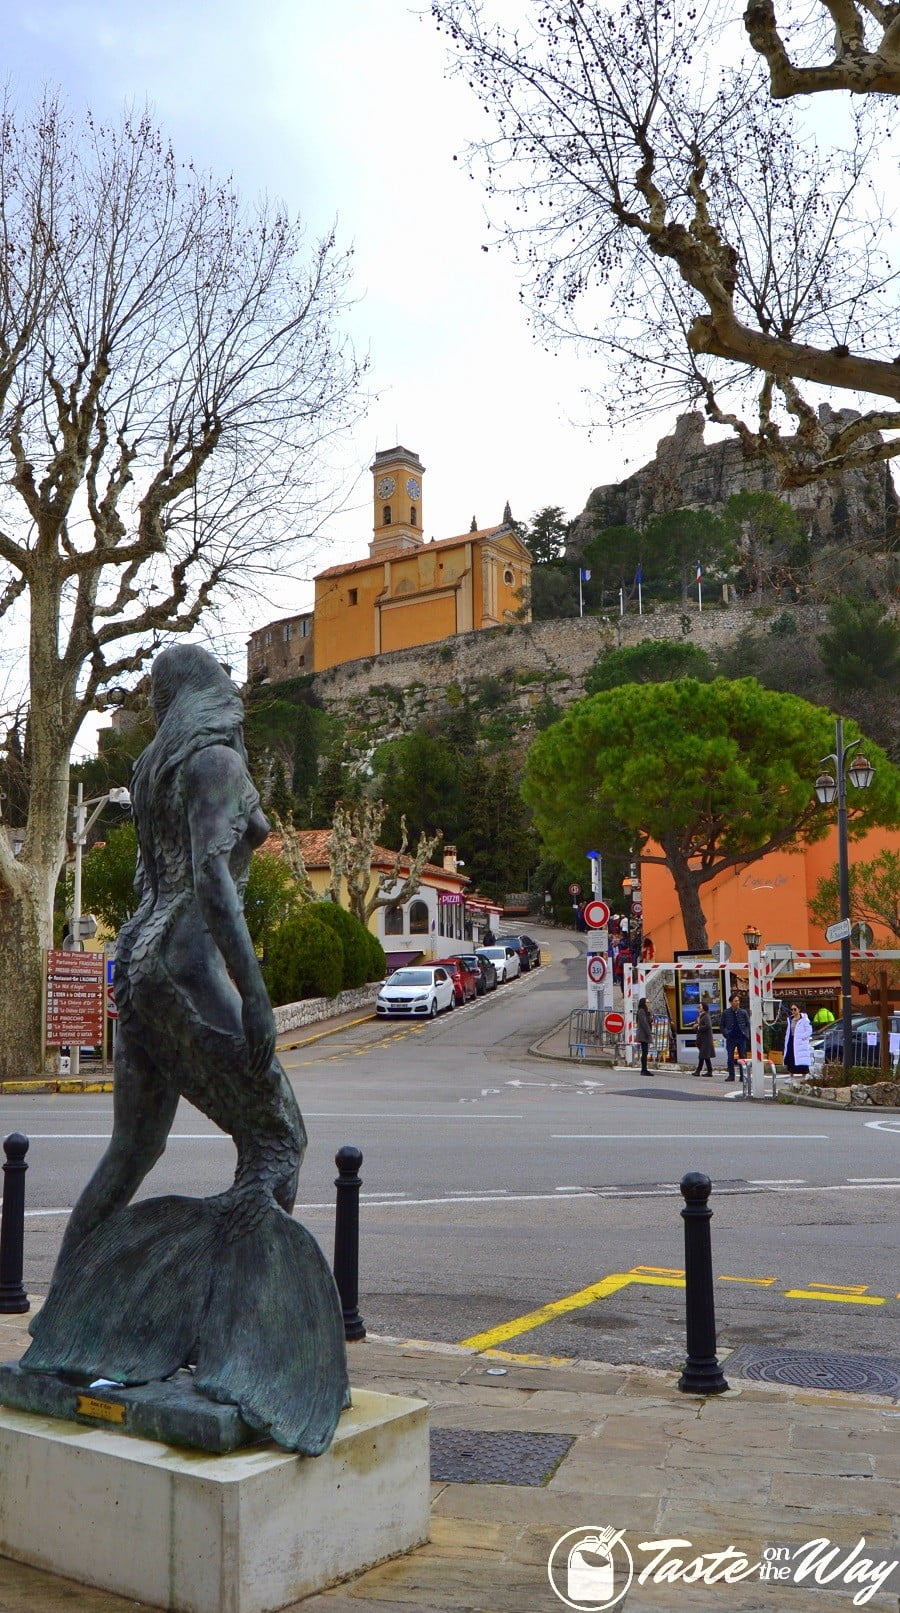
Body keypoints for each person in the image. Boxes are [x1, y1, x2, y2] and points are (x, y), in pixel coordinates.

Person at [24, 645, 348, 1455]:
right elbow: (211, 877)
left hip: (138, 963)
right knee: (281, 1141)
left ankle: (62, 1327)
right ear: (211, 691)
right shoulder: (215, 760)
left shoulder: (159, 771)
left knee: (130, 1153)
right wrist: (257, 988)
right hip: (188, 963)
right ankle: (245, 1353)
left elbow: (158, 883)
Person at [720, 990, 751, 1083]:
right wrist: (726, 1034)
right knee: (730, 1057)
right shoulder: (726, 1013)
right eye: (735, 1001)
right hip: (731, 1038)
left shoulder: (743, 1012)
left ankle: (743, 1076)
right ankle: (731, 1075)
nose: (737, 1002)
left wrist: (746, 1035)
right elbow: (722, 1025)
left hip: (741, 1037)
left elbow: (747, 1024)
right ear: (731, 1002)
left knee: (742, 1057)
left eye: (738, 1001)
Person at [783, 1002, 813, 1076]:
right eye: (792, 1009)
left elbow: (809, 1031)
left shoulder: (804, 1020)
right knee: (790, 1056)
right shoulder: (790, 1019)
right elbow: (789, 1030)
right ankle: (791, 1072)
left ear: (799, 1010)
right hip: (791, 1040)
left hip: (800, 1042)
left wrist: (802, 1037)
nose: (793, 1011)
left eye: (795, 1009)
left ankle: (804, 1073)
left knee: (801, 1056)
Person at [691, 994, 715, 1077]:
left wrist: (698, 1027)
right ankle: (709, 1071)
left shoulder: (706, 1016)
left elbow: (708, 1026)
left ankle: (698, 1070)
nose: (698, 1008)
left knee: (702, 1055)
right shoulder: (701, 1016)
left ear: (704, 1008)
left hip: (706, 1039)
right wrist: (696, 1026)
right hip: (702, 1039)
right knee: (705, 1056)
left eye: (700, 1007)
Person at [635, 996, 653, 1075]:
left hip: (645, 1034)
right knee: (644, 1051)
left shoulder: (646, 1011)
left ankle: (645, 1069)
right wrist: (649, 1033)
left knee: (645, 1052)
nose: (648, 1004)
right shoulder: (641, 1011)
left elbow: (648, 1021)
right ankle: (643, 1069)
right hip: (643, 1034)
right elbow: (644, 1023)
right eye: (647, 1002)